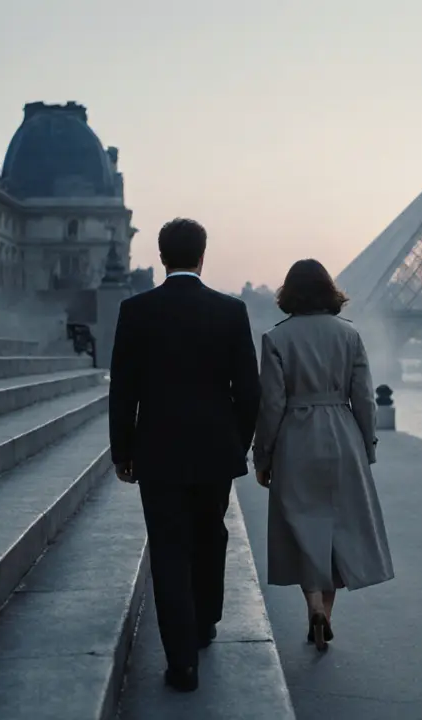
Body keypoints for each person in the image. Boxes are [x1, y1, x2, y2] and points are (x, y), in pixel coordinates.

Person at [108, 218, 261, 692]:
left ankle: (181, 664)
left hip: (157, 451)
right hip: (216, 448)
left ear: (160, 256)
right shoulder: (230, 311)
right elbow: (249, 391)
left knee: (170, 550)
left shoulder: (136, 311)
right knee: (210, 536)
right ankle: (206, 622)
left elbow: (123, 391)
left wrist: (123, 450)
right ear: (202, 256)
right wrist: (238, 441)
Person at [253, 259, 394, 651]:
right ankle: (326, 616)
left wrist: (261, 456)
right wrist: (367, 446)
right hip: (342, 435)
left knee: (303, 529)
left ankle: (313, 604)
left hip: (295, 439)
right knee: (334, 530)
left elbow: (271, 406)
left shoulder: (275, 339)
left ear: (289, 294)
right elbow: (364, 399)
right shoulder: (350, 336)